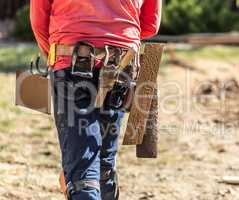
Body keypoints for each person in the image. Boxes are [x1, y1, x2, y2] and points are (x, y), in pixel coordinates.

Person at [30, 0, 161, 200]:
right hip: (122, 63)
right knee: (103, 166)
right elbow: (150, 24)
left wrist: (55, 57)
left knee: (83, 171)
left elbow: (39, 18)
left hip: (71, 59)